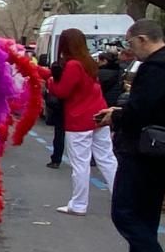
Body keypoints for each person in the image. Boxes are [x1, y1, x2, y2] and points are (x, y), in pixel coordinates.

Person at [94, 18, 165, 252]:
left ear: (143, 39)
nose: (130, 50)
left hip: (143, 148)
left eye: (131, 43)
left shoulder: (156, 69)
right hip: (162, 147)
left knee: (124, 211)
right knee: (145, 213)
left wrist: (118, 114)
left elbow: (143, 109)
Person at [48, 28, 117, 216]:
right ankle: (121, 197)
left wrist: (50, 82)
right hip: (99, 114)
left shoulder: (73, 65)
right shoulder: (90, 63)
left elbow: (62, 91)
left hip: (79, 119)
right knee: (107, 159)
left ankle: (79, 204)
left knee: (80, 163)